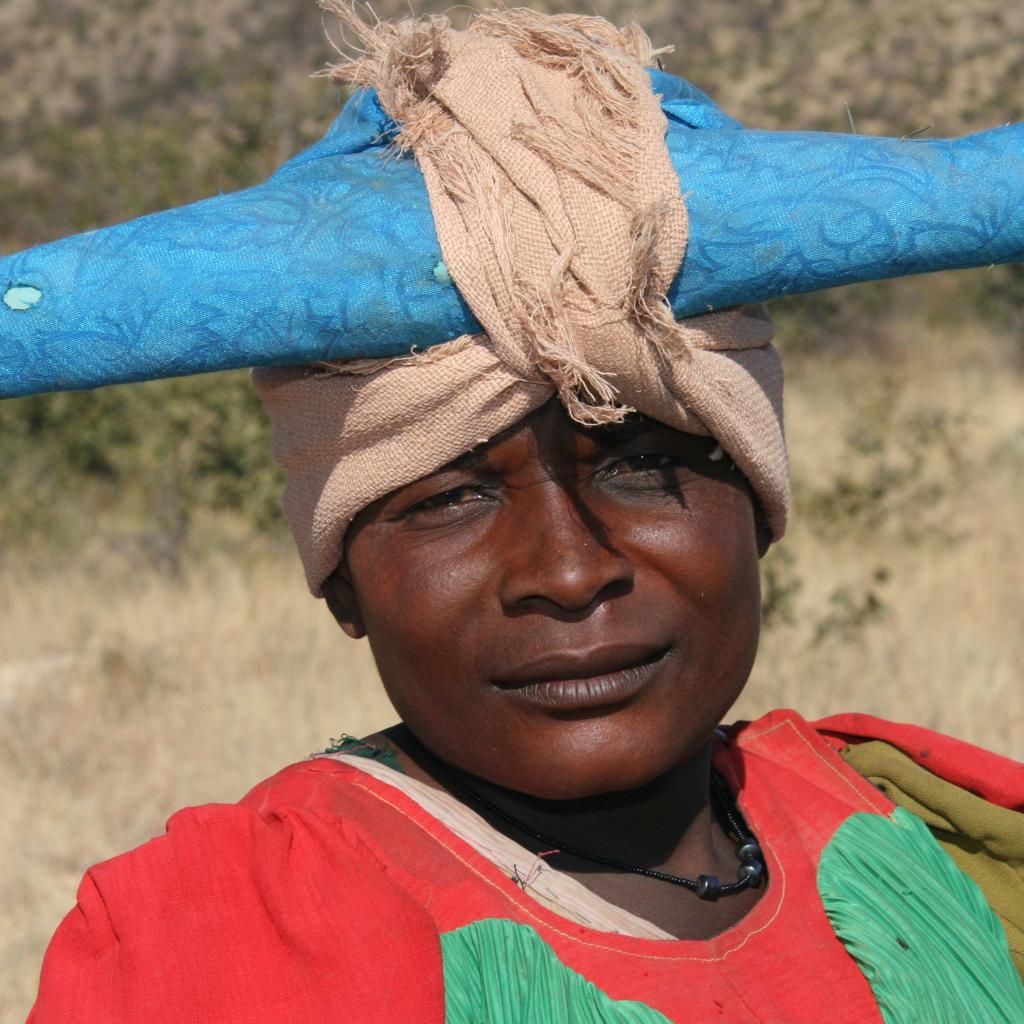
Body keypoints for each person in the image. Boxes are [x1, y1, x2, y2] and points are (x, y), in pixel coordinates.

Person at [8, 6, 1023, 1021]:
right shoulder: (221, 945)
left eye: (645, 465)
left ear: (757, 505)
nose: (570, 571)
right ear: (342, 584)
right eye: (450, 496)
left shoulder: (921, 832)